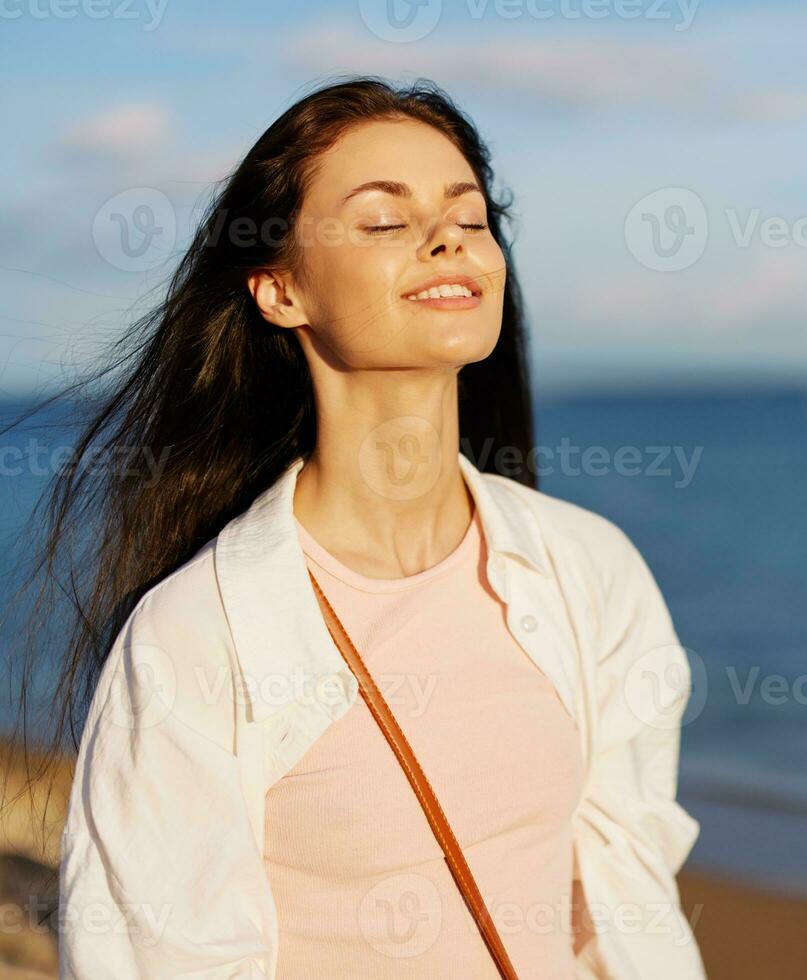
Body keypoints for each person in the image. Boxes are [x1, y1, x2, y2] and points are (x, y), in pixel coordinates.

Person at [23, 76, 704, 979]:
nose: (449, 239)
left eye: (470, 216)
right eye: (385, 222)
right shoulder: (195, 639)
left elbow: (629, 901)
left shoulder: (590, 571)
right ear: (278, 290)